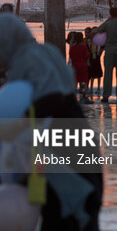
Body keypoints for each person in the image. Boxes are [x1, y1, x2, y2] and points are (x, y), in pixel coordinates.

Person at [0, 14, 103, 230]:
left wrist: (20, 124)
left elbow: (45, 99)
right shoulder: (46, 52)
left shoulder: (26, 59)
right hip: (74, 128)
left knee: (66, 208)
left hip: (56, 136)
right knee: (80, 204)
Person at [69, 31, 92, 103]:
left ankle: (73, 96)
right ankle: (84, 96)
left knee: (75, 81)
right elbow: (87, 57)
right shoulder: (83, 47)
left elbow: (71, 57)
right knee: (83, 81)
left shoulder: (72, 48)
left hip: (75, 66)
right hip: (83, 66)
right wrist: (88, 63)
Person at [85, 27, 103, 96]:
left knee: (98, 74)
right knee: (91, 74)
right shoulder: (89, 40)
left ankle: (98, 88)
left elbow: (102, 47)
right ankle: (91, 88)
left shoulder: (98, 40)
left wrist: (100, 52)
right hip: (91, 57)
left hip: (97, 57)